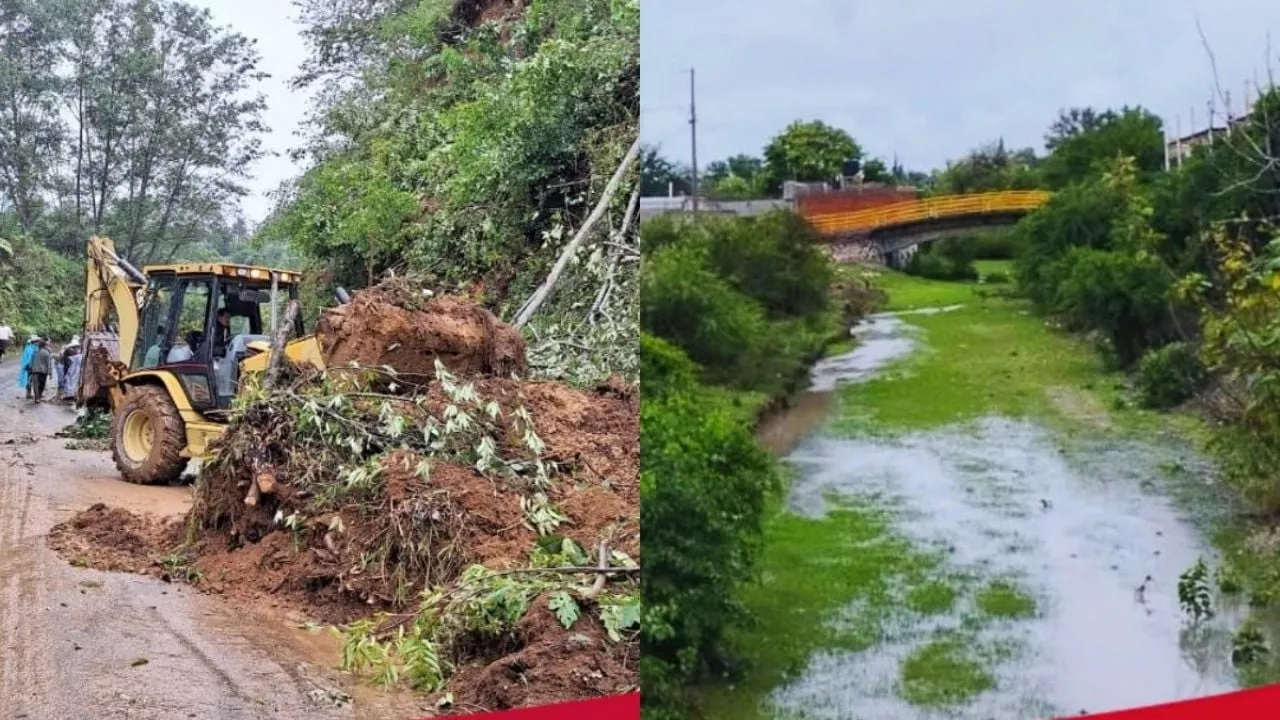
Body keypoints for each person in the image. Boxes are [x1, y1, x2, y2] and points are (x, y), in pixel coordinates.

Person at [29, 339, 52, 403]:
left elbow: (31, 362)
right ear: (44, 346)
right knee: (42, 384)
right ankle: (39, 395)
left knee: (35, 384)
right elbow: (49, 364)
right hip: (43, 372)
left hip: (35, 370)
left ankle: (37, 397)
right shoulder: (47, 353)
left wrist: (30, 369)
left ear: (38, 346)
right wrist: (50, 373)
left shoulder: (34, 352)